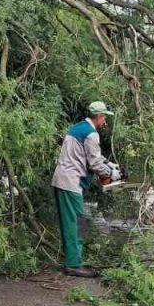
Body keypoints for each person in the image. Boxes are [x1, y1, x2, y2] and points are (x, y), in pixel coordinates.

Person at [51, 101, 119, 277]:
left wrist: (109, 164)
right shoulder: (91, 134)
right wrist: (112, 174)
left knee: (71, 222)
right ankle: (74, 264)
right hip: (70, 183)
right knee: (78, 223)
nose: (105, 122)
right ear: (98, 117)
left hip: (63, 180)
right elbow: (94, 163)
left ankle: (72, 260)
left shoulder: (77, 128)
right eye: (104, 118)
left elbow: (89, 155)